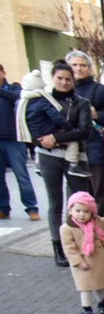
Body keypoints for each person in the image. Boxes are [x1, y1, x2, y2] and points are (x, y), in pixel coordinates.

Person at [22, 63, 95, 268]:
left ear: (73, 80)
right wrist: (41, 141)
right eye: (60, 78)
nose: (64, 82)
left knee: (79, 203)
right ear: (52, 78)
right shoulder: (41, 99)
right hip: (48, 156)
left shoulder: (81, 103)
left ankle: (81, 243)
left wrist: (56, 137)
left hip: (76, 156)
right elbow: (29, 127)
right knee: (55, 203)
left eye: (68, 79)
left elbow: (84, 131)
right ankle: (58, 248)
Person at [65, 51, 104, 221]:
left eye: (82, 65)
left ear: (89, 68)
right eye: (74, 65)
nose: (78, 69)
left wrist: (97, 115)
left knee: (99, 195)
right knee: (76, 198)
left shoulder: (101, 90)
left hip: (96, 149)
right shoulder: (64, 91)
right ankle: (79, 231)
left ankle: (102, 231)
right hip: (71, 151)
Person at [60, 192, 104, 314]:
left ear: (92, 212)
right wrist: (78, 262)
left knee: (101, 283)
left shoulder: (96, 221)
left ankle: (102, 303)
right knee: (85, 287)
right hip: (84, 261)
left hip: (98, 260)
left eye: (86, 211)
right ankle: (86, 307)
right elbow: (69, 248)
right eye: (78, 210)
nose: (82, 214)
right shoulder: (67, 228)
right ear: (70, 211)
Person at [0, 64, 40, 221]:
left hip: (14, 140)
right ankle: (3, 208)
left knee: (22, 176)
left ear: (3, 72)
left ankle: (32, 208)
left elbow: (17, 98)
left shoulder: (14, 89)